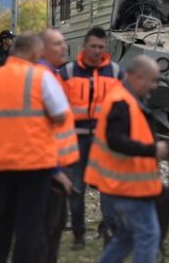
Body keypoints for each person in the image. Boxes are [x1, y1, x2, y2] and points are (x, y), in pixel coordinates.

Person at [0, 33, 70, 263]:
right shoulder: (41, 78)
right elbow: (61, 115)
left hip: (3, 160)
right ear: (36, 53)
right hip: (35, 161)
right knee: (30, 222)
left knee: (5, 216)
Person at [84, 55, 169, 263]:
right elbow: (115, 140)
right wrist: (153, 150)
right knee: (148, 235)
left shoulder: (125, 99)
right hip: (128, 186)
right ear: (136, 77)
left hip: (124, 184)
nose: (154, 86)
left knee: (126, 238)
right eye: (152, 80)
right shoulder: (121, 103)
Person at [58, 26, 122, 249]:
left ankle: (109, 231)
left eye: (101, 47)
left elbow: (124, 106)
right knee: (76, 189)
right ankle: (78, 235)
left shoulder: (115, 73)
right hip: (76, 139)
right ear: (84, 46)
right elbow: (57, 108)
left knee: (108, 187)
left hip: (104, 141)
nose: (97, 51)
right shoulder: (67, 73)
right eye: (93, 46)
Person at [39, 29, 78, 263]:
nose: (64, 48)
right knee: (48, 224)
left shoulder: (53, 75)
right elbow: (40, 130)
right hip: (48, 167)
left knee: (57, 223)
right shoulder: (43, 79)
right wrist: (55, 172)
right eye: (58, 44)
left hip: (57, 163)